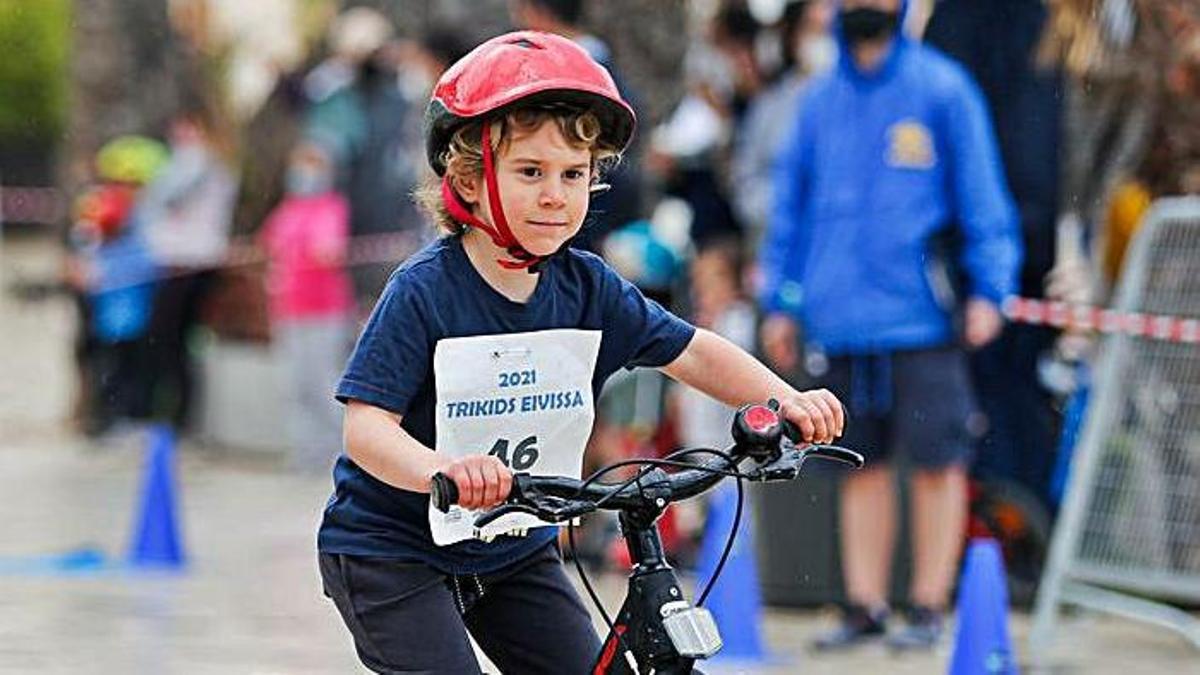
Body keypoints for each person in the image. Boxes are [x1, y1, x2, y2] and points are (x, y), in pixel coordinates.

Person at [316, 31, 845, 674]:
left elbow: (694, 353)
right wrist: (441, 470)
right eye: (530, 171)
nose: (554, 195)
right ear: (470, 180)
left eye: (574, 175)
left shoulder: (588, 286)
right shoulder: (426, 291)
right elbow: (365, 428)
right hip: (392, 547)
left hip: (509, 544)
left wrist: (785, 399)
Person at [758, 0, 1021, 651]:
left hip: (923, 318)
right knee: (857, 465)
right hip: (839, 319)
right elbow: (787, 210)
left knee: (938, 464)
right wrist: (782, 301)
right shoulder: (817, 103)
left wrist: (991, 287)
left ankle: (930, 605)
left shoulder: (943, 87)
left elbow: (983, 196)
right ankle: (865, 604)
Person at [258, 140, 354, 472]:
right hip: (288, 309)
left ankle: (342, 453)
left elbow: (330, 249)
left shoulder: (331, 207)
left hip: (325, 310)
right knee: (295, 383)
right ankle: (304, 451)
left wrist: (324, 250)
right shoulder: (286, 211)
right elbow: (269, 248)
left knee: (325, 381)